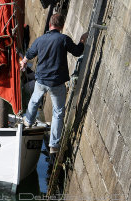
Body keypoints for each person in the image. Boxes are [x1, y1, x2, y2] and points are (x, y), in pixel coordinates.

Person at [20, 13, 88, 159]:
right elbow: (77, 51)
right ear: (62, 26)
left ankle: (28, 121)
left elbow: (30, 53)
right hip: (57, 83)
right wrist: (82, 41)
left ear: (50, 24)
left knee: (34, 100)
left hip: (42, 80)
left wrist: (24, 61)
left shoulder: (40, 39)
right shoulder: (64, 39)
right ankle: (54, 145)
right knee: (58, 113)